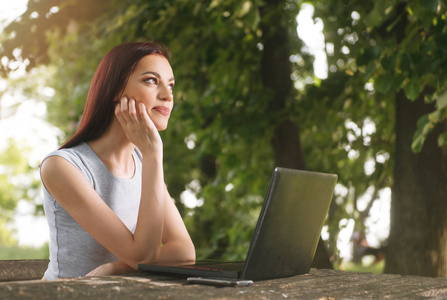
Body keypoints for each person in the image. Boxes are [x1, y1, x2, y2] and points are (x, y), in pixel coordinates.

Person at [40, 42, 195, 280]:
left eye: (171, 85)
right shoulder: (62, 166)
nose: (167, 95)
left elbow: (184, 254)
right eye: (152, 80)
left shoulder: (143, 162)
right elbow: (144, 258)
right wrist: (153, 153)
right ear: (115, 89)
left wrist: (119, 267)